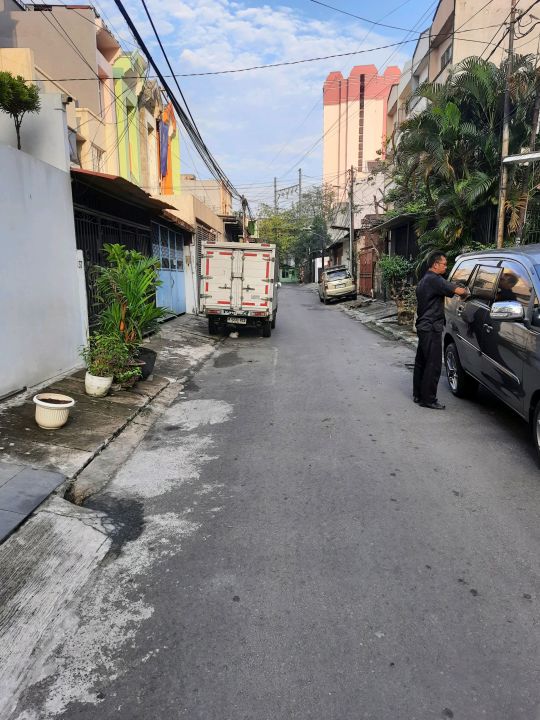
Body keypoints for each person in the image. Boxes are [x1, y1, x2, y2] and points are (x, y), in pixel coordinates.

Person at [413, 251, 469, 410]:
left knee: (421, 361)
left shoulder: (424, 280)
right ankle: (428, 399)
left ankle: (418, 394)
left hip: (423, 326)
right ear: (435, 264)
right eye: (444, 264)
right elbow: (459, 291)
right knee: (433, 364)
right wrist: (467, 291)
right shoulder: (435, 280)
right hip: (431, 327)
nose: (446, 266)